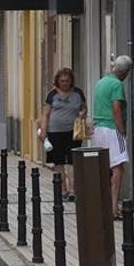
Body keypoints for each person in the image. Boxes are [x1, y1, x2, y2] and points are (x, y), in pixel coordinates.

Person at [91, 56, 133, 220]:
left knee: (104, 168)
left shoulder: (101, 82)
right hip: (112, 129)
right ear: (125, 73)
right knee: (118, 168)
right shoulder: (117, 84)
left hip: (99, 129)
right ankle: (113, 207)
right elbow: (116, 108)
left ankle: (105, 205)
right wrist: (122, 129)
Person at [38, 68, 88, 201]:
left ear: (71, 80)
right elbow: (46, 114)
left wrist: (83, 113)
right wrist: (43, 130)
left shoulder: (78, 93)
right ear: (57, 81)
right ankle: (62, 190)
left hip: (73, 132)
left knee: (72, 161)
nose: (64, 83)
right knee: (58, 162)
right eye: (62, 81)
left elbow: (84, 108)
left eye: (67, 81)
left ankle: (73, 190)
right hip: (54, 132)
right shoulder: (52, 95)